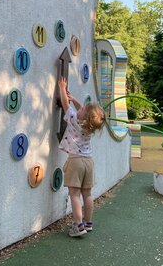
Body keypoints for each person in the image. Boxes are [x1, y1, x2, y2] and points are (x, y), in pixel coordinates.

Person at [57, 76, 106, 237]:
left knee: (74, 194)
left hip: (76, 161)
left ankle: (78, 226)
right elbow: (83, 111)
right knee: (87, 194)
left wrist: (62, 88)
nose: (80, 108)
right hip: (88, 162)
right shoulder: (89, 126)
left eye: (82, 109)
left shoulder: (73, 118)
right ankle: (88, 222)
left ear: (82, 117)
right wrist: (76, 100)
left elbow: (65, 104)